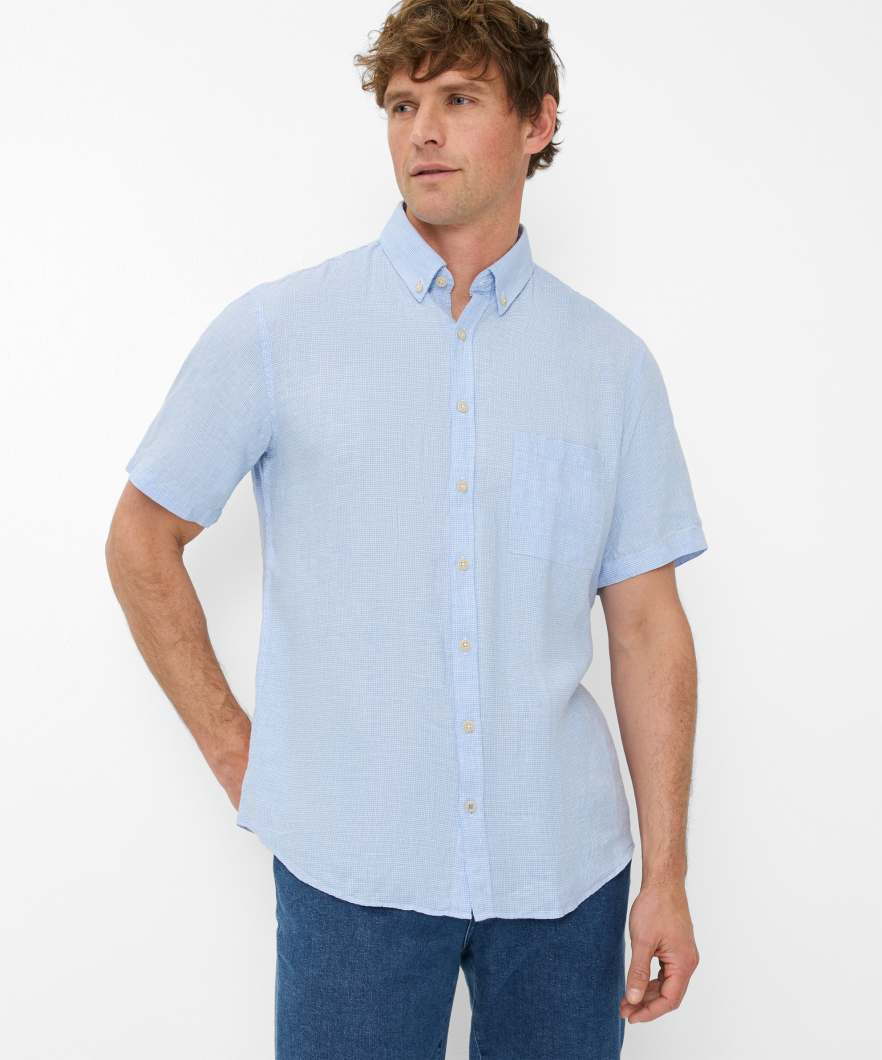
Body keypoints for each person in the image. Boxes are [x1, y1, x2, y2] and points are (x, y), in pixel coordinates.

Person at [106, 1, 708, 1056]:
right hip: (353, 873)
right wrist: (238, 747)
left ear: (537, 122)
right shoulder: (279, 333)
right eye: (400, 104)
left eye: (459, 99)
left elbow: (648, 626)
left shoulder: (611, 368)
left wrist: (667, 874)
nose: (421, 130)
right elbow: (140, 538)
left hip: (564, 874)